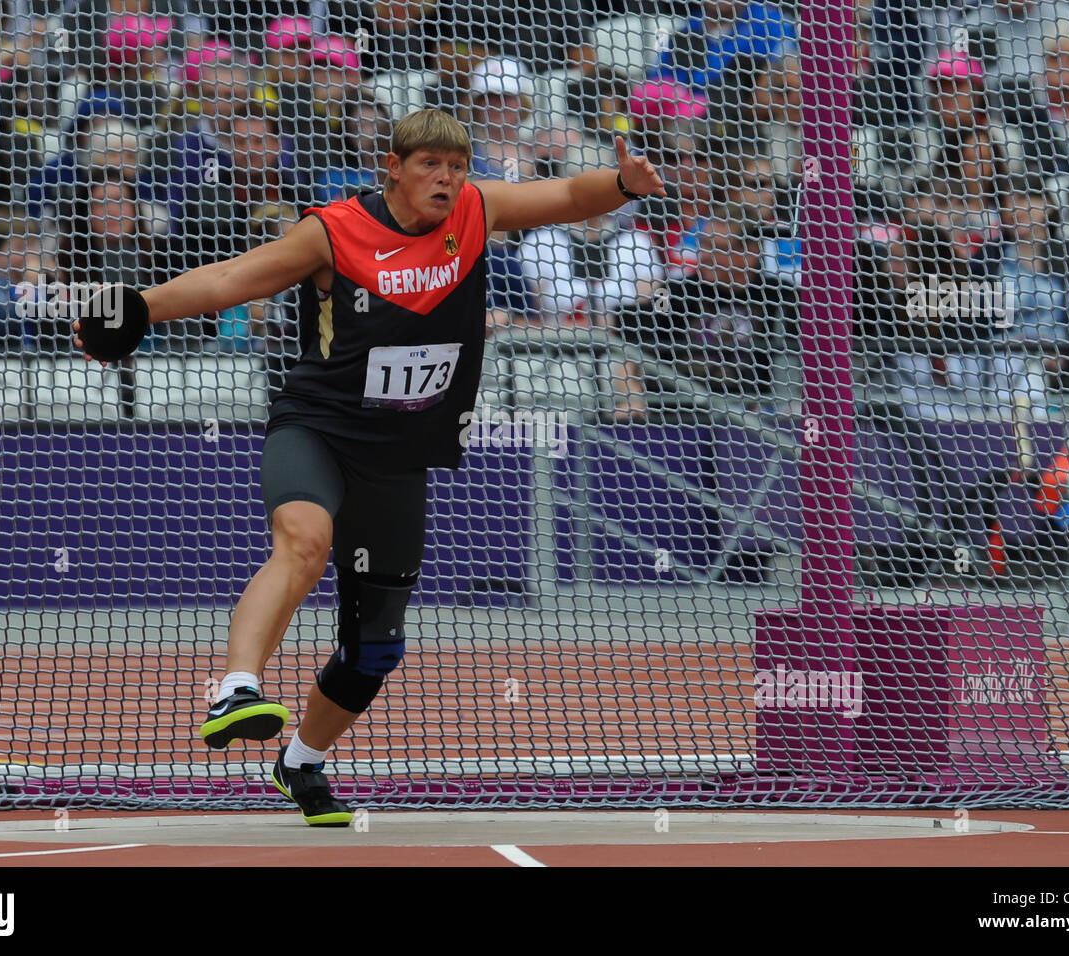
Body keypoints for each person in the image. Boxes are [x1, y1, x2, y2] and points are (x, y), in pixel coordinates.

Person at [72, 108, 665, 826]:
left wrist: (623, 184)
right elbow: (235, 279)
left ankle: (303, 763)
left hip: (398, 453)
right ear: (394, 166)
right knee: (303, 542)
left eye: (455, 165)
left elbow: (570, 199)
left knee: (374, 649)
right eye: (429, 166)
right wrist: (139, 308)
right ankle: (234, 689)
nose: (446, 178)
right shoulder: (333, 230)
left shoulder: (475, 210)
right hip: (318, 427)